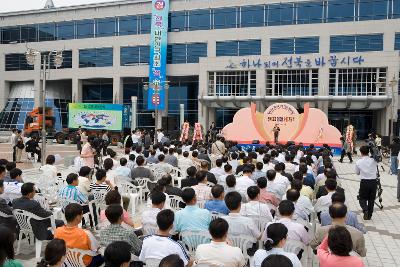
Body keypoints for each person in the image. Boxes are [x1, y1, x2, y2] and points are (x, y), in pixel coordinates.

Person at [356, 145, 378, 220]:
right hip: (373, 182)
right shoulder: (374, 160)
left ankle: (365, 210)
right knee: (371, 199)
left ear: (361, 152)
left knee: (362, 198)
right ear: (368, 152)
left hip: (364, 182)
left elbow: (357, 173)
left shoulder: (359, 162)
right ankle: (369, 215)